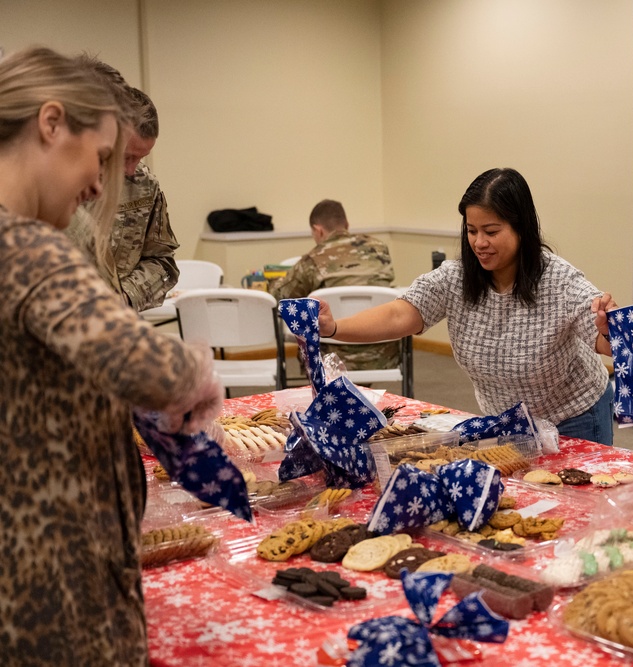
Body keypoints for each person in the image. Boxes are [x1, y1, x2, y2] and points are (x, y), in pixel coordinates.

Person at [0, 47, 223, 665]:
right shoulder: (24, 247)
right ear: (50, 125)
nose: (101, 184)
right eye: (99, 158)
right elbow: (149, 368)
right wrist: (196, 376)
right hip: (54, 580)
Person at [317, 168, 618, 445]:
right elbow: (400, 314)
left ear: (521, 229)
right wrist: (334, 327)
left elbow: (606, 343)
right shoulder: (456, 278)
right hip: (506, 423)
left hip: (574, 418)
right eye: (472, 231)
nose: (479, 242)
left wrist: (609, 331)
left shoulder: (558, 280)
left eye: (491, 231)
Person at [66, 62, 179, 312]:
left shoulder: (144, 185)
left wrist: (125, 298)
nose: (130, 169)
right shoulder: (54, 189)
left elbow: (162, 261)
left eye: (140, 158)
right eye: (125, 156)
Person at [269, 198, 398, 370]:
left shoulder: (312, 260)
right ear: (347, 224)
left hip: (331, 359)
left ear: (318, 230)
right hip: (384, 355)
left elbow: (278, 298)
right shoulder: (380, 248)